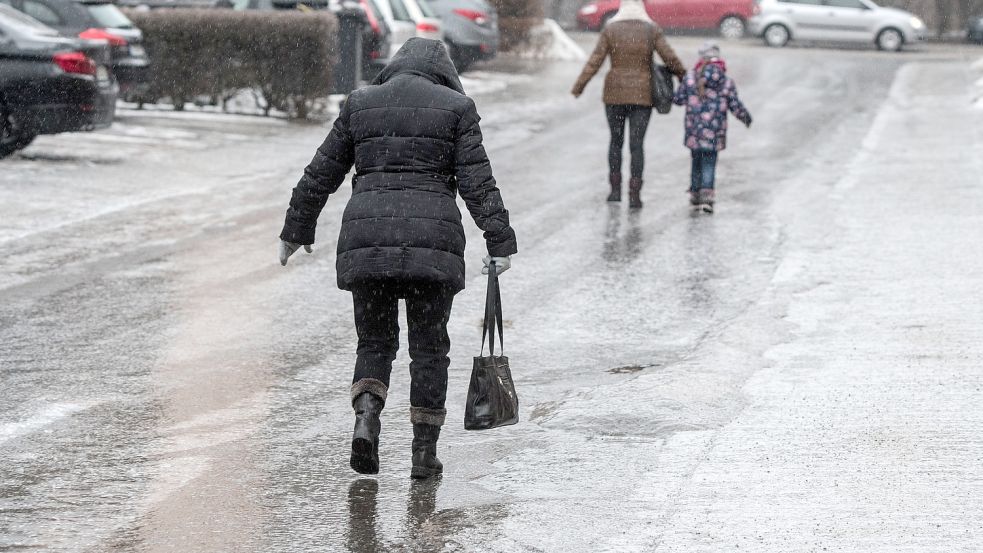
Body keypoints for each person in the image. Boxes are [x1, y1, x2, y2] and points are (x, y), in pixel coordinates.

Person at [277, 38, 518, 479]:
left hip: (369, 243)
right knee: (429, 350)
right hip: (433, 246)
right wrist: (498, 241)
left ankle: (367, 418)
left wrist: (296, 229)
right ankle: (423, 455)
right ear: (443, 72)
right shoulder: (456, 108)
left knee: (374, 342)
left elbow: (321, 171)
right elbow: (478, 182)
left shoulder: (361, 103)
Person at [571, 0, 686, 209]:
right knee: (636, 145)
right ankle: (635, 194)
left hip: (614, 94)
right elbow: (670, 58)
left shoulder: (611, 29)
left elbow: (595, 61)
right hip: (642, 96)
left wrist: (579, 86)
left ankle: (615, 191)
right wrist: (685, 77)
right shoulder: (651, 30)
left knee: (615, 142)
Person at [672, 42, 752, 214]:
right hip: (715, 132)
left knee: (696, 161)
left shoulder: (691, 78)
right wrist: (745, 117)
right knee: (709, 162)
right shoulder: (726, 81)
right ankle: (707, 197)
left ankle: (695, 193)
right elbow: (734, 104)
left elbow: (678, 100)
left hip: (694, 131)